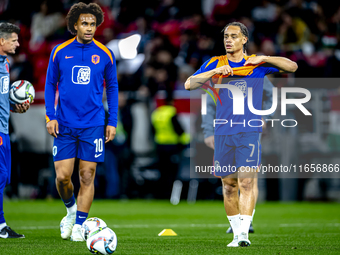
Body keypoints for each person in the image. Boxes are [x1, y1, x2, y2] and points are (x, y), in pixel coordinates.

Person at [185, 22, 298, 247]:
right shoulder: (216, 62)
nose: (228, 40)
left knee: (246, 182)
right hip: (223, 132)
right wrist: (214, 72)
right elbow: (189, 84)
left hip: (249, 131)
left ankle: (243, 235)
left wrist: (264, 58)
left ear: (244, 39)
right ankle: (236, 234)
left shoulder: (256, 64)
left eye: (234, 36)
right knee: (229, 185)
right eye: (226, 36)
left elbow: (292, 66)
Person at [44, 3, 118, 241]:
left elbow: (113, 88)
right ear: (75, 24)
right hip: (64, 124)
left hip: (93, 123)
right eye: (84, 23)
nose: (89, 28)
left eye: (93, 24)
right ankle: (70, 210)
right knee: (63, 177)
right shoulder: (59, 51)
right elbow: (49, 85)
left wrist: (112, 120)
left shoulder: (105, 54)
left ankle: (79, 225)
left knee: (87, 175)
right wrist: (50, 116)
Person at [202, 76, 274, 234]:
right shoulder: (219, 72)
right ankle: (235, 222)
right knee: (228, 181)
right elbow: (209, 104)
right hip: (224, 132)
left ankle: (247, 222)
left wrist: (265, 116)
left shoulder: (255, 71)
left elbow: (271, 94)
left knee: (249, 180)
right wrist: (208, 131)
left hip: (249, 131)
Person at [0, 22, 31, 239]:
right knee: (0, 175)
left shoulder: (6, 64)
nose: (18, 44)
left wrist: (13, 107)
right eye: (14, 40)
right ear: (1, 41)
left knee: (3, 177)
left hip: (3, 129)